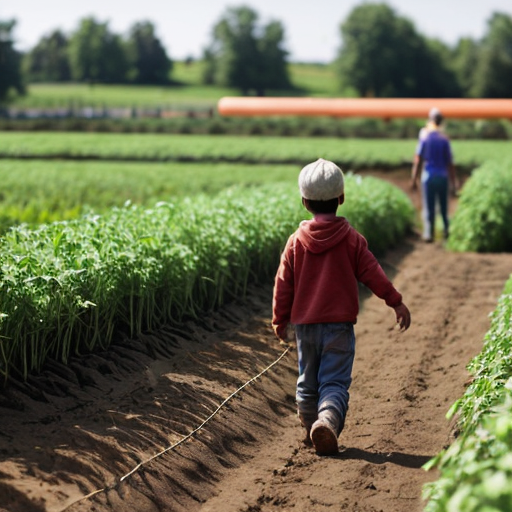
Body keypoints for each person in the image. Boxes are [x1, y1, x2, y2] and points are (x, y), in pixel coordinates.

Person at [272, 158, 411, 456]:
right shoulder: (352, 240)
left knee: (307, 383)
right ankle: (326, 422)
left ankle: (311, 426)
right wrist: (395, 302)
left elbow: (283, 283)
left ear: (304, 202)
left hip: (305, 328)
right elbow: (374, 274)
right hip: (338, 327)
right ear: (341, 198)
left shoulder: (295, 242)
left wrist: (279, 320)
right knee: (334, 383)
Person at [411, 107, 457, 242]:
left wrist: (414, 179)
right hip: (442, 176)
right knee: (444, 207)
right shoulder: (444, 139)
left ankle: (429, 233)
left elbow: (418, 159)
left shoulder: (425, 138)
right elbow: (450, 163)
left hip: (428, 176)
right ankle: (446, 232)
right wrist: (454, 182)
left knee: (429, 206)